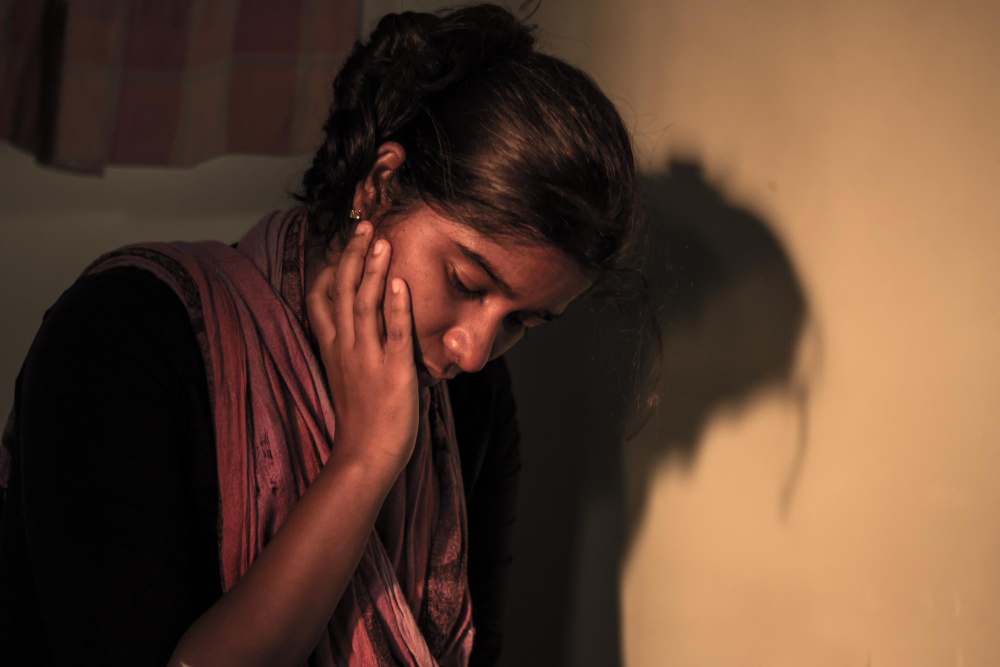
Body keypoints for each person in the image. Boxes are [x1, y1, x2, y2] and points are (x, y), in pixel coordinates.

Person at [0, 4, 655, 666]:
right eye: (465, 282)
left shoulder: (472, 403)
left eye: (521, 321)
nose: (474, 350)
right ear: (379, 186)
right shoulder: (123, 340)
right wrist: (365, 459)